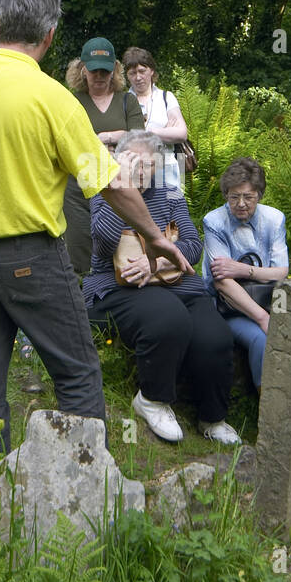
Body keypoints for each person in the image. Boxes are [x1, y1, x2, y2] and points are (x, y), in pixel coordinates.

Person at [0, 0, 191, 452]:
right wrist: (156, 236)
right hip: (31, 260)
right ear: (49, 36)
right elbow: (113, 183)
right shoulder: (53, 100)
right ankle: (85, 493)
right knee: (77, 371)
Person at [86, 132, 241, 445]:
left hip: (177, 285)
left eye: (149, 166)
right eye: (136, 165)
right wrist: (125, 187)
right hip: (117, 289)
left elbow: (193, 247)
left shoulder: (169, 193)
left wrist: (152, 263)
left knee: (216, 336)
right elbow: (104, 245)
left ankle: (212, 417)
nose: (142, 173)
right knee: (169, 318)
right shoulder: (105, 190)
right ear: (121, 161)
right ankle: (152, 400)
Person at [60, 38, 146, 274]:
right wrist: (120, 137)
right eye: (94, 70)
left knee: (120, 246)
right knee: (79, 250)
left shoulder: (127, 101)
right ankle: (86, 301)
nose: (99, 76)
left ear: (115, 70)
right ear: (82, 69)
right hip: (77, 189)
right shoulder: (71, 101)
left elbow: (140, 140)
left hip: (118, 184)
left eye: (105, 71)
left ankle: (117, 292)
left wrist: (105, 137)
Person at [202, 157, 289, 389]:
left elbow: (281, 272)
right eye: (234, 197)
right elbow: (223, 283)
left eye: (248, 197)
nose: (241, 203)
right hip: (230, 307)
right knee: (262, 338)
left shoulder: (274, 219)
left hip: (270, 300)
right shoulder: (214, 222)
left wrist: (243, 269)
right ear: (226, 196)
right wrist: (262, 318)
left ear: (259, 196)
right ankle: (267, 402)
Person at [123, 46, 188, 189]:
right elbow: (123, 137)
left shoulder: (166, 97)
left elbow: (182, 133)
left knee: (171, 208)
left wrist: (150, 131)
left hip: (167, 167)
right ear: (127, 76)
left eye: (142, 71)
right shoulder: (123, 101)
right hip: (135, 169)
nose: (138, 77)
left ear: (151, 70)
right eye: (132, 73)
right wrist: (165, 131)